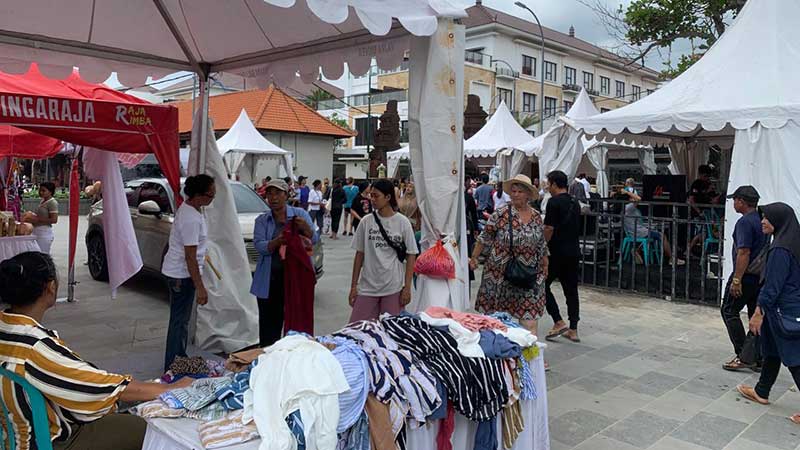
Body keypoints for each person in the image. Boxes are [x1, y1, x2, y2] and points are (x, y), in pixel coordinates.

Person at [0, 252, 194, 450]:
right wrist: (168, 388)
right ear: (50, 287)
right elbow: (96, 387)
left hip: (12, 431)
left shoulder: (5, 326)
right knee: (157, 431)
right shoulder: (34, 347)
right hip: (47, 440)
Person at [736, 202, 800, 426]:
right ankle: (761, 391)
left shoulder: (781, 249)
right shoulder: (790, 242)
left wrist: (758, 311)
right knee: (771, 350)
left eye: (767, 218)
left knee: (794, 359)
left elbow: (773, 286)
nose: (762, 221)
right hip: (783, 309)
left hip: (784, 310)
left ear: (779, 222)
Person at [470, 175, 549, 335]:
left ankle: (530, 357)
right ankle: (501, 355)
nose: (516, 194)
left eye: (520, 191)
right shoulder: (500, 214)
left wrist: (545, 264)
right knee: (496, 322)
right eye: (513, 191)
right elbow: (484, 238)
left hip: (528, 274)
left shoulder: (536, 217)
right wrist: (474, 258)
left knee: (530, 318)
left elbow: (541, 243)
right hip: (500, 274)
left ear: (528, 195)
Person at [251, 180, 317, 347]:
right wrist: (277, 241)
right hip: (269, 280)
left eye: (277, 193)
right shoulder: (262, 220)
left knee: (297, 324)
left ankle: (294, 360)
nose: (273, 198)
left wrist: (306, 229)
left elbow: (314, 239)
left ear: (287, 195)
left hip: (296, 280)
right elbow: (260, 246)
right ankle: (268, 361)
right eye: (269, 194)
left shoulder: (299, 215)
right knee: (269, 327)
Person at [161, 174, 214, 371]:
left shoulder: (190, 211)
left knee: (180, 320)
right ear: (199, 195)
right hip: (180, 275)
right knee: (179, 321)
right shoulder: (191, 218)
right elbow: (190, 257)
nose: (212, 198)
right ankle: (174, 363)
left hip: (178, 272)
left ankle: (178, 358)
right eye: (211, 195)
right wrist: (200, 287)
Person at [349, 179, 419, 322]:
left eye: (376, 196)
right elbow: (359, 255)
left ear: (388, 197)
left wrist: (407, 287)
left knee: (390, 332)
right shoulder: (366, 222)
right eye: (370, 195)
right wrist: (353, 286)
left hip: (393, 287)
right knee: (357, 329)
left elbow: (411, 255)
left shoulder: (402, 222)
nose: (372, 199)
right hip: (367, 286)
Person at [721, 186, 767, 371]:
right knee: (754, 316)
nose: (733, 203)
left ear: (741, 201)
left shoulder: (745, 223)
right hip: (759, 276)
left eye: (735, 200)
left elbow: (744, 252)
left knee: (729, 311)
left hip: (745, 275)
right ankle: (758, 357)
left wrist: (737, 279)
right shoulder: (761, 220)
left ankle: (744, 355)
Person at [543, 170, 583, 343]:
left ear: (553, 184)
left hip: (556, 252)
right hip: (573, 251)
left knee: (542, 286)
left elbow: (549, 228)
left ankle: (558, 320)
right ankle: (573, 328)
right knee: (571, 290)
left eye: (548, 183)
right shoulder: (576, 203)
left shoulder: (553, 202)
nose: (547, 187)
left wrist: (543, 245)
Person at [620, 188, 684, 265]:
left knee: (652, 235)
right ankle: (671, 258)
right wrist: (627, 192)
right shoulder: (628, 207)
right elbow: (638, 199)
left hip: (634, 232)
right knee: (662, 236)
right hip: (639, 232)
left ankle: (637, 250)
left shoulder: (623, 209)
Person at [23, 181, 58, 254]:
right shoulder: (43, 201)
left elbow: (54, 220)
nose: (41, 192)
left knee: (43, 255)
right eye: (40, 190)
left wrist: (36, 218)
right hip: (36, 231)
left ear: (50, 192)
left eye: (43, 191)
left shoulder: (52, 202)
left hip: (44, 232)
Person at [465, 176, 480, 283]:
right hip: (467, 227)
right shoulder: (468, 197)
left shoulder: (468, 197)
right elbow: (474, 214)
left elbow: (473, 214)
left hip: (467, 227)